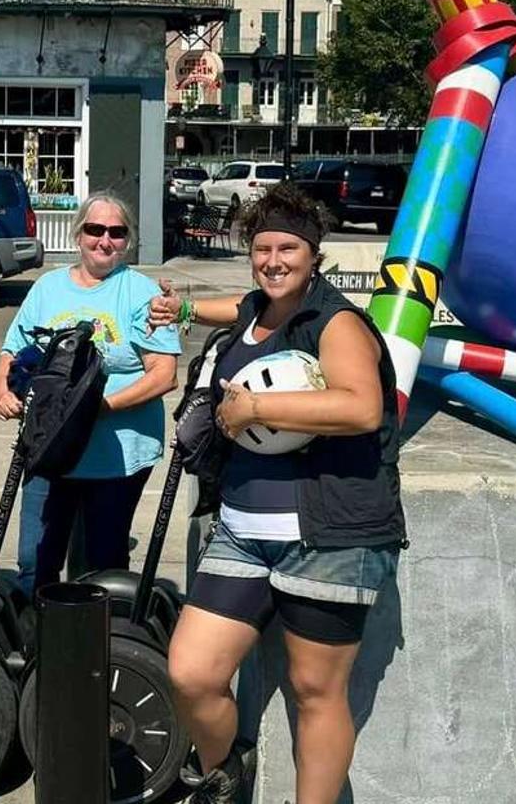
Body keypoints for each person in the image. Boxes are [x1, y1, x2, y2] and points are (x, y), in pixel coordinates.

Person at [151, 183, 404, 804]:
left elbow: (362, 407)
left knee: (315, 692)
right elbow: (230, 309)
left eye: (288, 248)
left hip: (328, 537)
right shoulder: (256, 310)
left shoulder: (336, 322)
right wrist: (181, 309)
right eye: (262, 249)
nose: (273, 261)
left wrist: (257, 407)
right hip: (242, 529)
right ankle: (227, 772)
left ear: (314, 255)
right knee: (190, 672)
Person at [0, 192, 178, 591]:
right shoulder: (48, 287)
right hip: (50, 447)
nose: (105, 240)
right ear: (79, 235)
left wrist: (98, 407)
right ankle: (37, 642)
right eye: (95, 230)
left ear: (127, 241)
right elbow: (13, 347)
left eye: (116, 232)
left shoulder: (142, 292)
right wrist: (1, 390)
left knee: (102, 563)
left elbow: (164, 375)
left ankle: (101, 646)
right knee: (35, 560)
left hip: (117, 455)